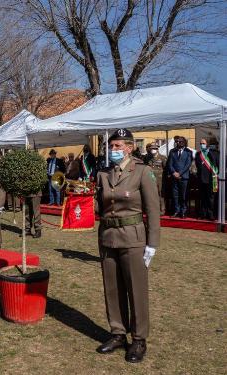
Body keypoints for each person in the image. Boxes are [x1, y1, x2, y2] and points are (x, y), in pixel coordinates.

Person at [95, 128, 160, 363]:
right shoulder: (103, 173)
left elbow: (153, 210)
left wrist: (152, 244)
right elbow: (99, 206)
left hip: (133, 238)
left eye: (117, 146)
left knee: (136, 290)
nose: (112, 150)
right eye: (111, 146)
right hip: (108, 236)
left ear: (129, 148)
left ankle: (139, 339)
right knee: (112, 289)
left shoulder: (142, 172)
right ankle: (118, 334)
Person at [167, 136, 193, 218]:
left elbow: (188, 164)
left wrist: (180, 173)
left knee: (183, 195)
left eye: (180, 141)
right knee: (175, 195)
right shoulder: (172, 151)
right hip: (174, 177)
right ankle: (176, 211)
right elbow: (169, 164)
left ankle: (183, 211)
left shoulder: (188, 152)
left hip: (184, 177)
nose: (178, 143)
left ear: (184, 142)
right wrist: (174, 172)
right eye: (177, 141)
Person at [195, 138, 220, 220]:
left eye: (204, 143)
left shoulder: (215, 153)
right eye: (201, 143)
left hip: (212, 179)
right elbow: (197, 166)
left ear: (207, 144)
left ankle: (211, 214)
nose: (202, 145)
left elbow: (218, 165)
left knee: (211, 198)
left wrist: (216, 173)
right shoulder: (198, 154)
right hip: (201, 179)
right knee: (202, 198)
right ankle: (203, 214)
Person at [143, 143, 167, 215]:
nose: (153, 150)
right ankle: (151, 209)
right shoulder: (147, 158)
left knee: (160, 194)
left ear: (157, 149)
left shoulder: (162, 158)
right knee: (150, 194)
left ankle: (162, 210)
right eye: (151, 149)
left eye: (154, 148)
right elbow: (145, 167)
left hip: (160, 179)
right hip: (150, 178)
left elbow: (166, 168)